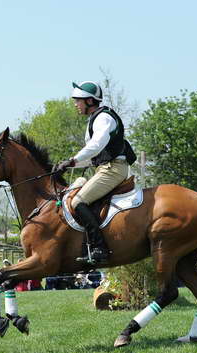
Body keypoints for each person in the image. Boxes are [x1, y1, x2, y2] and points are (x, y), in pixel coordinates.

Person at [55, 81, 136, 265]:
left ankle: (99, 248)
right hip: (105, 167)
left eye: (78, 101)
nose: (76, 104)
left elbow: (96, 145)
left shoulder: (103, 118)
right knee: (73, 191)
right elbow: (92, 156)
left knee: (78, 202)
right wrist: (67, 165)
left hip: (114, 169)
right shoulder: (95, 118)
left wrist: (73, 160)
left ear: (90, 100)